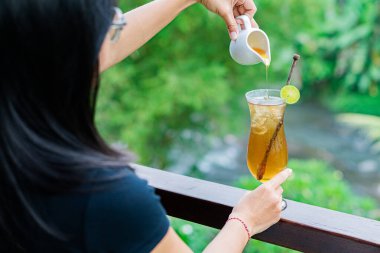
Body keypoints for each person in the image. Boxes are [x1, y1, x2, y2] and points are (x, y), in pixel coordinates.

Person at [0, 0, 292, 252]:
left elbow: (97, 48)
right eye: (113, 21)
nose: (117, 28)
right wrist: (244, 221)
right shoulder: (106, 197)